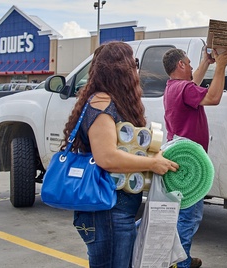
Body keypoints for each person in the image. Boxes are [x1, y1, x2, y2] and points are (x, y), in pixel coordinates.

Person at [61, 41, 179, 268]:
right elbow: (107, 158)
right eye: (134, 63)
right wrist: (151, 163)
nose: (136, 69)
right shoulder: (102, 103)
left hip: (114, 211)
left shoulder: (107, 101)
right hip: (107, 213)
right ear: (121, 68)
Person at [162, 47, 227, 268]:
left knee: (180, 215)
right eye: (190, 62)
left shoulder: (173, 87)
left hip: (179, 157)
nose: (193, 67)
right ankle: (180, 264)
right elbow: (213, 97)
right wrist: (221, 65)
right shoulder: (185, 88)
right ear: (181, 65)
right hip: (189, 165)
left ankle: (181, 258)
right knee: (189, 217)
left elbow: (192, 83)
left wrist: (206, 62)